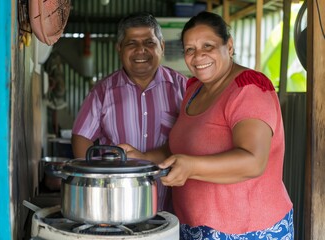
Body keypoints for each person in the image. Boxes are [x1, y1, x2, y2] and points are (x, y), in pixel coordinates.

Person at [119, 11, 294, 239]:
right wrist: (142, 157)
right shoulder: (194, 90)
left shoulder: (248, 89)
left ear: (229, 46)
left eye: (208, 46)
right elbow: (182, 149)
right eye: (190, 49)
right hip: (194, 225)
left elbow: (253, 162)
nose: (198, 56)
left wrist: (191, 167)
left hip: (246, 230)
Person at [71, 12, 187, 212]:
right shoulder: (102, 92)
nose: (141, 50)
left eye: (149, 43)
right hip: (117, 206)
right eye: (131, 43)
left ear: (162, 46)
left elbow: (192, 138)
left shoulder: (183, 88)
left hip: (171, 206)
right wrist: (96, 185)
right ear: (119, 49)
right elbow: (81, 137)